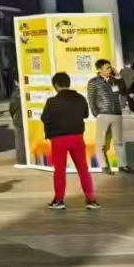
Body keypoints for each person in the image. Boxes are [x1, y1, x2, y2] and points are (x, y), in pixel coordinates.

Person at [40, 71, 99, 211]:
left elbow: (44, 118)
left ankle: (59, 200)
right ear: (68, 83)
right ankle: (91, 199)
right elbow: (85, 114)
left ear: (55, 85)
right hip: (77, 138)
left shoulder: (52, 102)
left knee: (60, 171)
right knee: (83, 169)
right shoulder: (80, 98)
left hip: (58, 139)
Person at [87, 59, 134, 175]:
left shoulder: (114, 80)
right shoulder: (93, 82)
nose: (109, 69)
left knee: (119, 141)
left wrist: (118, 76)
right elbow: (91, 99)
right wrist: (97, 114)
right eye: (107, 68)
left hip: (117, 114)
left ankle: (122, 165)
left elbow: (123, 91)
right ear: (99, 69)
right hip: (103, 114)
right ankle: (103, 166)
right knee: (101, 142)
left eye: (110, 67)